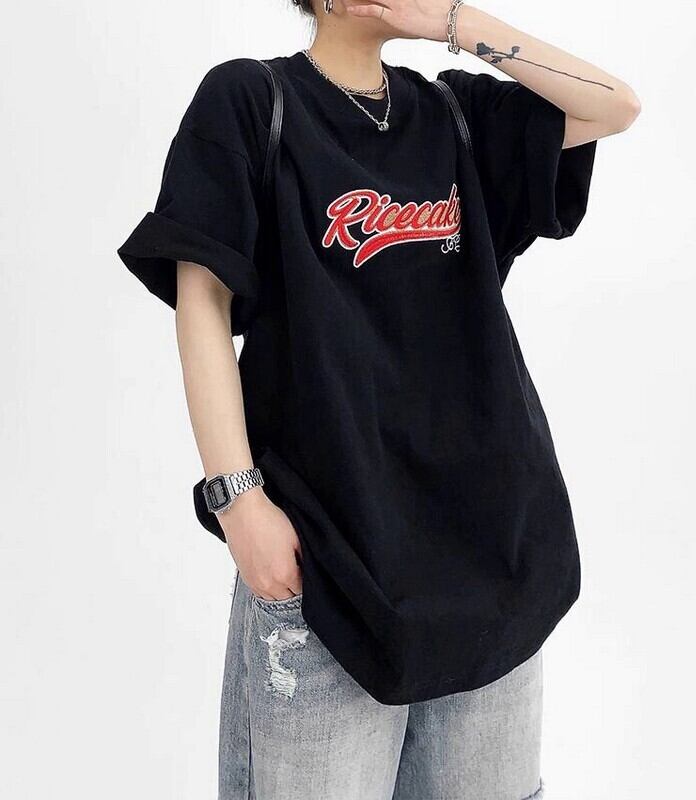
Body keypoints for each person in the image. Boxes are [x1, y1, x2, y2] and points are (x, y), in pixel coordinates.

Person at [118, 0, 640, 796]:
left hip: (492, 567)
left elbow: (613, 105)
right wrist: (238, 501)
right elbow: (203, 301)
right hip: (331, 571)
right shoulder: (252, 101)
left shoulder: (456, 115)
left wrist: (458, 24)